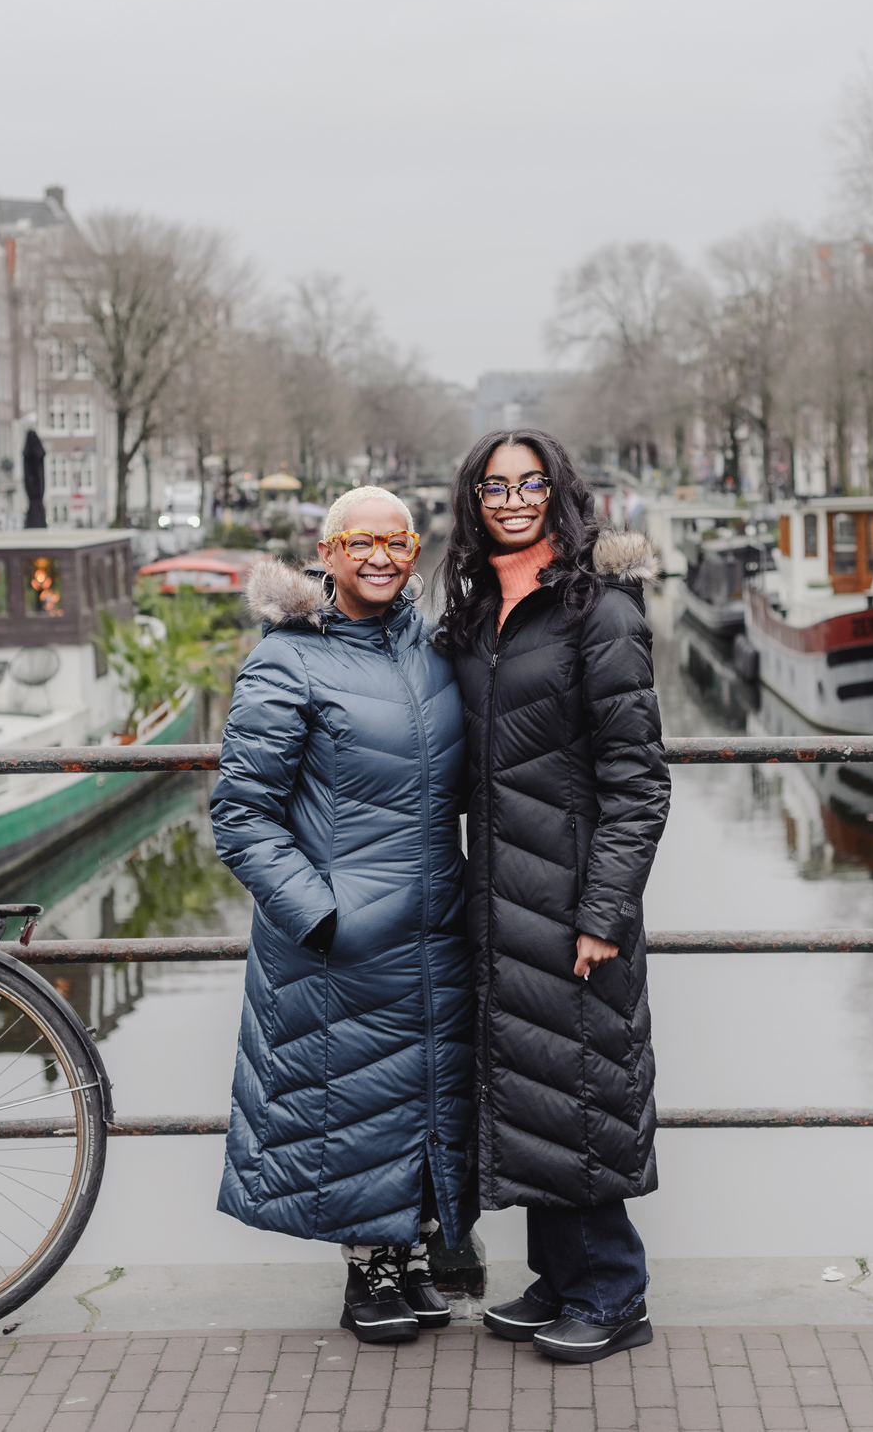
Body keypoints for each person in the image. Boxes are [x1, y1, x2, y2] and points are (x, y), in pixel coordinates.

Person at [210, 486, 474, 1345]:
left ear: (414, 552)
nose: (379, 556)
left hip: (435, 922)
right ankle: (369, 1276)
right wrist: (320, 916)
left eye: (396, 542)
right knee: (352, 1100)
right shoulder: (287, 660)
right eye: (358, 541)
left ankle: (414, 1252)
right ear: (325, 555)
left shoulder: (432, 650)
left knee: (424, 1091)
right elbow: (242, 812)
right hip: (344, 934)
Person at [436, 430, 670, 1363]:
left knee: (581, 1090)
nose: (514, 497)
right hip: (499, 901)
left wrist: (604, 914)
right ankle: (561, 1276)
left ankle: (615, 1293)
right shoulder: (474, 614)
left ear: (559, 493)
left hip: (574, 901)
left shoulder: (599, 612)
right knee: (533, 1087)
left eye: (531, 483)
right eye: (496, 486)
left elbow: (639, 780)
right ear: (474, 501)